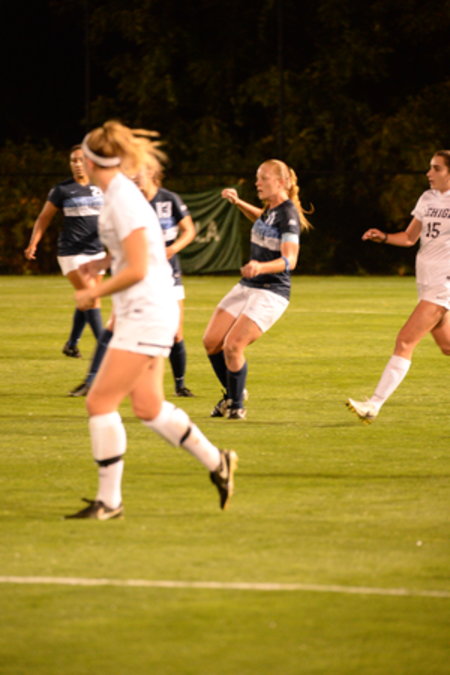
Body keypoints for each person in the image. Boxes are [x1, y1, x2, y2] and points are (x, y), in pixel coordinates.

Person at [64, 120, 238, 519]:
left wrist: (94, 292)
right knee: (148, 406)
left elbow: (139, 267)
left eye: (82, 157)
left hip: (146, 311)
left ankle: (110, 502)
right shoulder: (119, 193)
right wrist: (101, 263)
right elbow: (138, 248)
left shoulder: (121, 199)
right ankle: (218, 462)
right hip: (148, 309)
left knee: (100, 401)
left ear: (91, 161)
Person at [68, 150, 196, 398]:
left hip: (164, 277)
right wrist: (104, 260)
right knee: (114, 325)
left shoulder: (167, 199)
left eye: (138, 171)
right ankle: (91, 380)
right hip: (141, 280)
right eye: (130, 172)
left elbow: (189, 230)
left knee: (176, 333)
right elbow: (129, 248)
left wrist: (172, 249)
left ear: (152, 172)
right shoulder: (130, 203)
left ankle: (180, 384)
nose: (134, 176)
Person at [203, 158, 312, 419]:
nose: (257, 183)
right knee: (211, 342)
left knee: (233, 345)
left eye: (263, 178)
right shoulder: (271, 209)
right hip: (249, 285)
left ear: (282, 182)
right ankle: (233, 392)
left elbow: (290, 260)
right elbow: (261, 219)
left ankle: (236, 405)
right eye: (257, 178)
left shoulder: (288, 214)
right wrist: (239, 202)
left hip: (271, 291)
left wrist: (260, 267)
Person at [346, 149, 450, 423]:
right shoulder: (427, 198)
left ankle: (373, 405)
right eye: (430, 167)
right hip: (426, 281)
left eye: (436, 168)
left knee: (405, 340)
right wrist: (383, 237)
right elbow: (408, 238)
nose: (429, 173)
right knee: (447, 345)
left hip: (444, 283)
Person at [24, 145, 105, 357]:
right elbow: (44, 218)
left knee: (87, 299)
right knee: (92, 297)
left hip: (97, 252)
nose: (77, 164)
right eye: (73, 160)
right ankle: (105, 348)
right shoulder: (62, 190)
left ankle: (71, 344)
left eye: (80, 160)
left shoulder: (101, 187)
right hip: (71, 252)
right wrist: (33, 243)